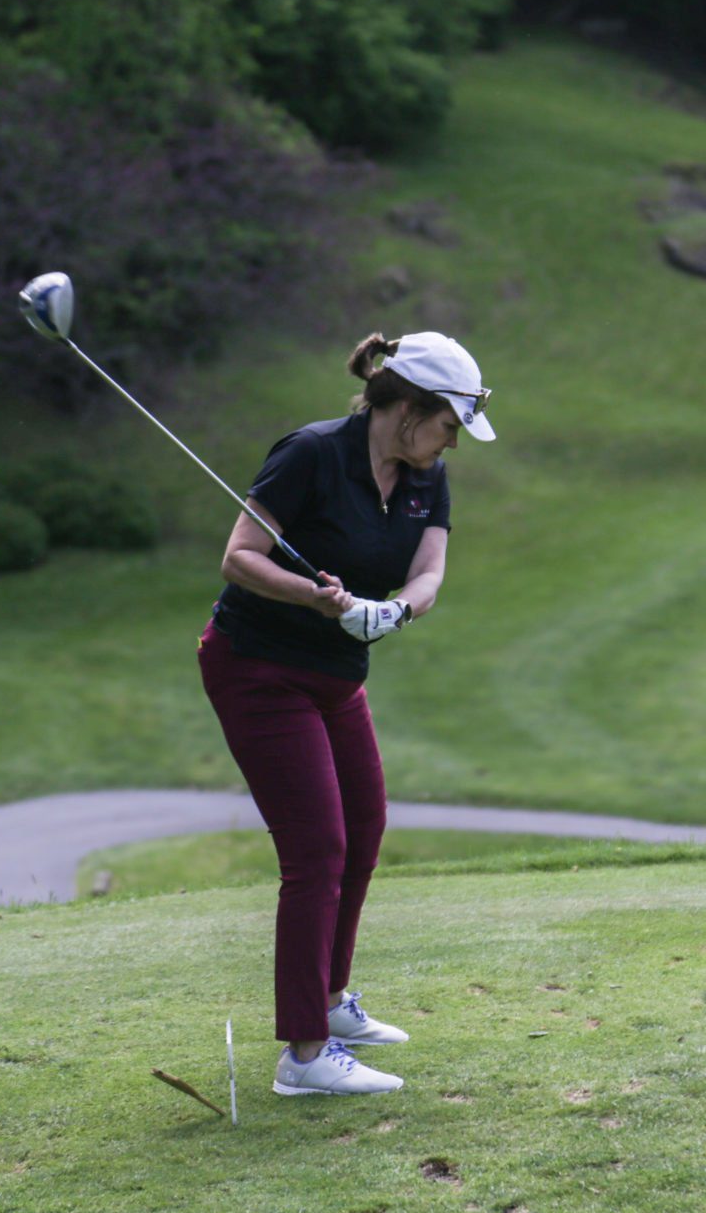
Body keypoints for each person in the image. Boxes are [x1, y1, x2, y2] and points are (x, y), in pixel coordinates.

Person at [197, 330, 495, 1096]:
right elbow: (240, 555)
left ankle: (331, 1004)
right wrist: (318, 596)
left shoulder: (427, 477)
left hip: (335, 674)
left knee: (364, 828)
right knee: (317, 850)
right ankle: (303, 1057)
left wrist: (391, 610)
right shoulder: (312, 453)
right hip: (258, 667)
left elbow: (429, 572)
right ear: (407, 410)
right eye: (446, 424)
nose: (450, 442)